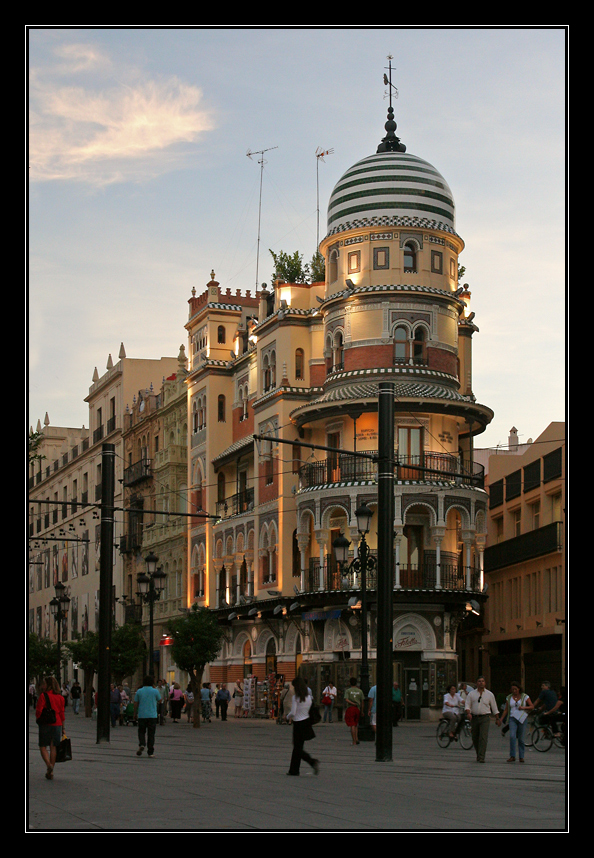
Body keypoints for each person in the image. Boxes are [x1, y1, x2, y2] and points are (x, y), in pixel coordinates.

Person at [286, 676, 320, 776]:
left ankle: (311, 762)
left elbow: (293, 712)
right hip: (306, 722)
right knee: (298, 747)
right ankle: (294, 769)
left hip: (298, 723)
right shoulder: (309, 698)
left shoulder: (295, 698)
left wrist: (287, 717)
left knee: (297, 748)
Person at [36, 676, 66, 780]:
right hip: (57, 724)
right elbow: (62, 714)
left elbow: (39, 710)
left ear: (47, 685)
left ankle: (49, 765)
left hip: (46, 724)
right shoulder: (61, 698)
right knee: (53, 747)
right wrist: (63, 728)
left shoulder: (43, 696)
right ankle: (51, 771)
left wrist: (38, 719)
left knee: (43, 746)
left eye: (44, 684)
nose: (42, 686)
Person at [496, 681, 533, 763]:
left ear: (519, 689)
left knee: (521, 738)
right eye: (512, 689)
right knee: (512, 736)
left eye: (515, 689)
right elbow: (506, 710)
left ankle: (521, 756)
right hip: (513, 718)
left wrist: (523, 707)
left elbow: (531, 706)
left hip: (522, 718)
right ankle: (512, 755)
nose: (514, 691)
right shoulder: (509, 698)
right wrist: (501, 719)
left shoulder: (525, 696)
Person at [464, 676, 499, 762]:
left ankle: (481, 757)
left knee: (483, 737)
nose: (481, 683)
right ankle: (478, 753)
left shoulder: (489, 694)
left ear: (485, 683)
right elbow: (467, 705)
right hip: (475, 717)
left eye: (483, 681)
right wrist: (468, 713)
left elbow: (494, 707)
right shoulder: (472, 694)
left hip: (485, 718)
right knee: (475, 737)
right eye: (479, 681)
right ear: (476, 683)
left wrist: (498, 718)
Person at [134, 676, 162, 758]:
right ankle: (150, 752)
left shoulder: (139, 691)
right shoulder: (155, 691)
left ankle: (142, 743)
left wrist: (135, 713)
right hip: (152, 715)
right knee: (151, 734)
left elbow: (136, 703)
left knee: (141, 731)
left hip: (142, 715)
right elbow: (160, 700)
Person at [344, 677, 365, 746]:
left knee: (352, 725)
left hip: (350, 708)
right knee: (356, 724)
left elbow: (346, 699)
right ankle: (356, 738)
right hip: (357, 709)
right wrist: (362, 711)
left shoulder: (348, 691)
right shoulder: (360, 691)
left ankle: (354, 741)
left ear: (350, 683)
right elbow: (362, 701)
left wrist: (352, 703)